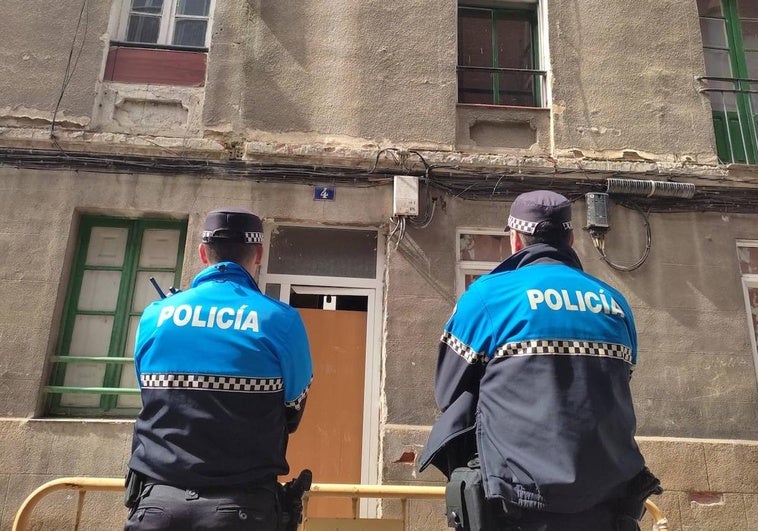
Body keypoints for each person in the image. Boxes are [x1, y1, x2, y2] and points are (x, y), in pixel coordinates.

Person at [419, 191, 660, 530]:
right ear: (571, 238)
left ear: (515, 239)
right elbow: (618, 380)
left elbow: (447, 391)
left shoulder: (487, 297)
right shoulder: (614, 302)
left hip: (519, 503)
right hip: (609, 503)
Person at [125, 207, 313, 531]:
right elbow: (293, 411)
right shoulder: (280, 320)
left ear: (202, 253)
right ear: (258, 255)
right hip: (243, 509)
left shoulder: (156, 315)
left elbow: (151, 397)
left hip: (155, 506)